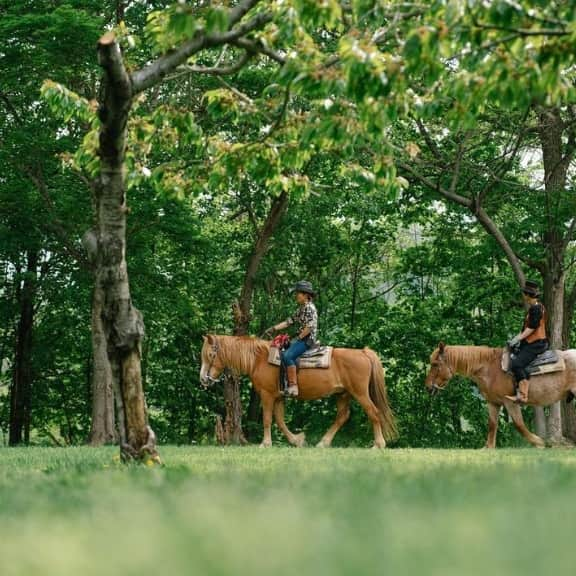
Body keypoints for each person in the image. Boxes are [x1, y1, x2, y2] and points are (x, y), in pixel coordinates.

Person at [265, 281, 318, 397]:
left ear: (305, 295)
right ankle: (283, 383)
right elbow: (289, 322)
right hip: (302, 338)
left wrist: (297, 338)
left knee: (287, 355)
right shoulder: (302, 308)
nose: (296, 296)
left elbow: (310, 327)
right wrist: (273, 328)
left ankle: (293, 386)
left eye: (298, 293)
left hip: (307, 340)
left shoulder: (309, 308)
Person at [505, 280, 548, 404]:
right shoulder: (534, 308)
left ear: (528, 295)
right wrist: (514, 338)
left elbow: (532, 328)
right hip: (530, 343)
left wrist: (518, 339)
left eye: (524, 293)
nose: (523, 296)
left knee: (516, 364)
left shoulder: (536, 309)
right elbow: (525, 329)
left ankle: (523, 395)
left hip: (536, 344)